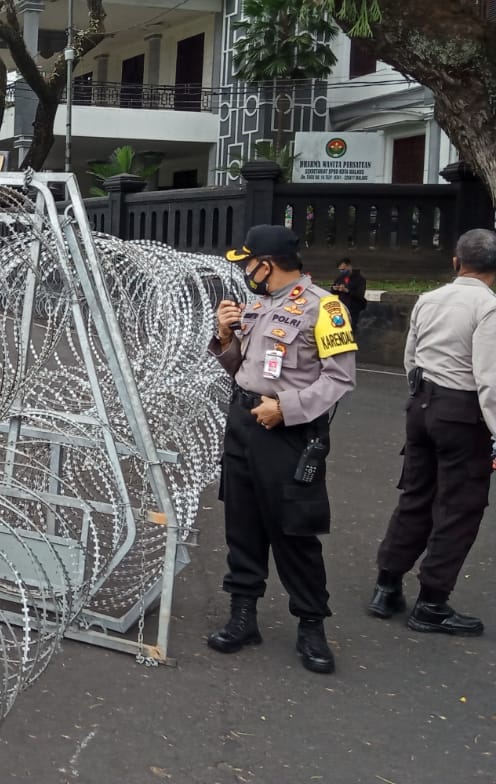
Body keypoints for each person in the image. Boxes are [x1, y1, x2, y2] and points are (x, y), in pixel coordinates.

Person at [209, 224, 358, 674]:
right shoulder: (256, 306)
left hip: (288, 431)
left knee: (294, 531)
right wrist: (225, 336)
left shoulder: (325, 309)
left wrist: (287, 408)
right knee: (243, 522)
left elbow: (340, 378)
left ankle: (311, 624)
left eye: (248, 262)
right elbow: (240, 366)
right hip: (243, 423)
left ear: (266, 264)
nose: (245, 270)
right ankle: (243, 616)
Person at [366, 228, 496, 636]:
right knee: (459, 507)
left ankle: (387, 585)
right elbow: (489, 377)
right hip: (463, 411)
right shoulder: (489, 308)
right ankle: (432, 602)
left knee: (416, 495)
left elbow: (411, 358)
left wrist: (421, 398)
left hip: (422, 404)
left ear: (456, 262)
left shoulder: (429, 299)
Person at [330, 258, 367, 332]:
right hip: (341, 309)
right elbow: (333, 291)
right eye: (340, 270)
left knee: (351, 329)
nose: (342, 271)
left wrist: (347, 291)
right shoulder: (340, 278)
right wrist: (335, 289)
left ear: (349, 266)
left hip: (353, 309)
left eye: (343, 269)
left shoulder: (360, 279)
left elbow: (360, 295)